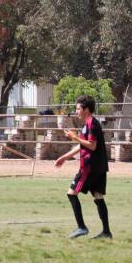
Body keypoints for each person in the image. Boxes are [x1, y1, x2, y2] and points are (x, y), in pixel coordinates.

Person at [55, 95, 112, 239]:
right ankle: (106, 232)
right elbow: (83, 144)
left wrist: (74, 137)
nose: (76, 111)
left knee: (71, 193)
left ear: (86, 110)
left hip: (90, 167)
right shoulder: (88, 124)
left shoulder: (92, 123)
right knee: (98, 197)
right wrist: (65, 157)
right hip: (99, 167)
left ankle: (81, 227)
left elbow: (92, 146)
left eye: (78, 108)